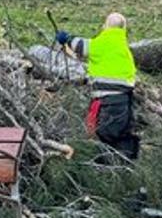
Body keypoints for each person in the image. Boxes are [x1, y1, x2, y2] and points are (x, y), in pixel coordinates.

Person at [57, 12, 140, 161]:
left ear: (106, 26)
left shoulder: (104, 42)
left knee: (105, 134)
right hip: (125, 100)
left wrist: (66, 38)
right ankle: (127, 165)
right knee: (121, 134)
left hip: (109, 101)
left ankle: (107, 166)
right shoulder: (123, 47)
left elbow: (81, 46)